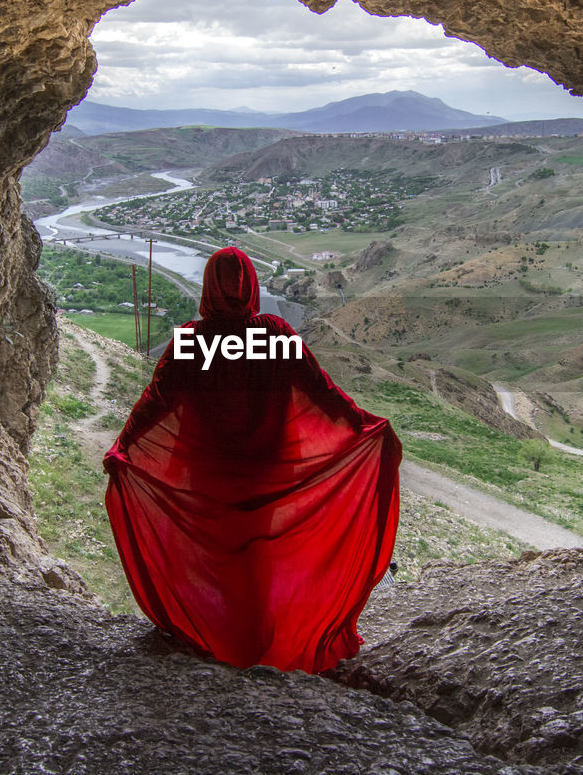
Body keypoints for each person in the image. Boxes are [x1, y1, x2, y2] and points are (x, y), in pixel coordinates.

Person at [103, 247, 401, 673]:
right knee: (257, 562)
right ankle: (262, 645)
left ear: (209, 288)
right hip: (266, 474)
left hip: (208, 479)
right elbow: (325, 395)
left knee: (217, 565)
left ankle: (227, 644)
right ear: (250, 287)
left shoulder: (191, 343)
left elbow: (155, 403)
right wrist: (365, 425)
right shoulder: (276, 337)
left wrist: (123, 447)